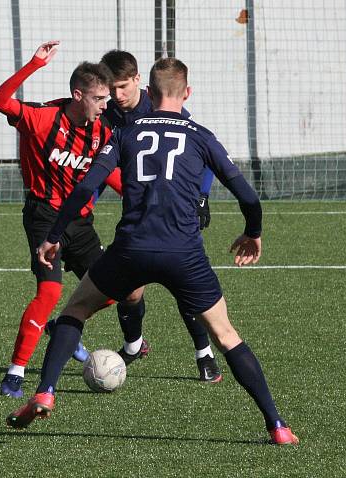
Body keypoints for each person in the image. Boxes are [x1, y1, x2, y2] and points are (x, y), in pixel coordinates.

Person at [6, 57, 299, 445]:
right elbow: (247, 196)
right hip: (184, 252)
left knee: (75, 310)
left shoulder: (124, 133)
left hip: (131, 249)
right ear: (186, 93)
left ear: (150, 92)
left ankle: (45, 391)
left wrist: (55, 234)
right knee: (227, 335)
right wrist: (253, 232)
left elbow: (84, 186)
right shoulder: (200, 135)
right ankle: (276, 425)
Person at [0, 40, 125, 398]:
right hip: (44, 216)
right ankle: (15, 373)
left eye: (107, 99)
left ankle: (61, 326)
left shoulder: (103, 132)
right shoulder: (41, 118)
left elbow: (109, 174)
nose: (105, 105)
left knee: (112, 291)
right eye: (99, 99)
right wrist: (34, 64)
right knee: (49, 291)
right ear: (78, 95)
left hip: (80, 222)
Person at [100, 49, 222, 382]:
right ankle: (134, 343)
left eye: (123, 86)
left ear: (140, 81)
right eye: (111, 89)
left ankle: (204, 353)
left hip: (173, 212)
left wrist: (201, 196)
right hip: (137, 213)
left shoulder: (162, 105)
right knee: (130, 290)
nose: (117, 95)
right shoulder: (106, 114)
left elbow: (203, 152)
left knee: (185, 284)